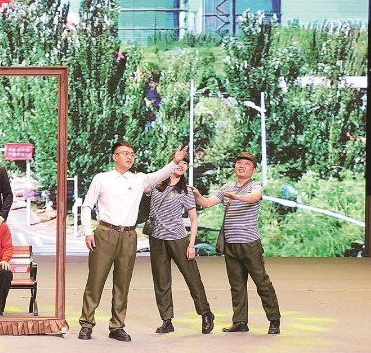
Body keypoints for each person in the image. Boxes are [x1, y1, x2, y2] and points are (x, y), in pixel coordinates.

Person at [78, 141, 188, 342]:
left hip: (129, 235)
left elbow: (160, 174)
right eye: (125, 153)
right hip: (105, 232)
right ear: (115, 157)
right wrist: (87, 231)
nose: (130, 157)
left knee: (123, 282)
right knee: (96, 280)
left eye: (132, 154)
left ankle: (117, 326)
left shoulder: (139, 180)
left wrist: (175, 162)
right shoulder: (102, 178)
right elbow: (87, 206)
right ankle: (86, 324)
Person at [191, 152, 281, 335]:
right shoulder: (227, 187)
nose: (241, 166)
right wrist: (197, 195)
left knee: (262, 282)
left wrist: (237, 197)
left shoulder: (255, 186)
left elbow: (255, 197)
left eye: (246, 164)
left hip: (249, 243)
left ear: (253, 170)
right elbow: (207, 203)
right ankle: (240, 321)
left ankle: (274, 320)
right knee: (236, 284)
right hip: (231, 244)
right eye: (239, 162)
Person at [145, 156, 214, 334]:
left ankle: (206, 313)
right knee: (161, 280)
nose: (182, 166)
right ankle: (166, 320)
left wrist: (191, 245)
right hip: (157, 239)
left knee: (192, 277)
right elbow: (142, 186)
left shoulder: (186, 191)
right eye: (179, 163)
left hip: (178, 239)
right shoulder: (156, 186)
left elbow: (193, 219)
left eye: (185, 164)